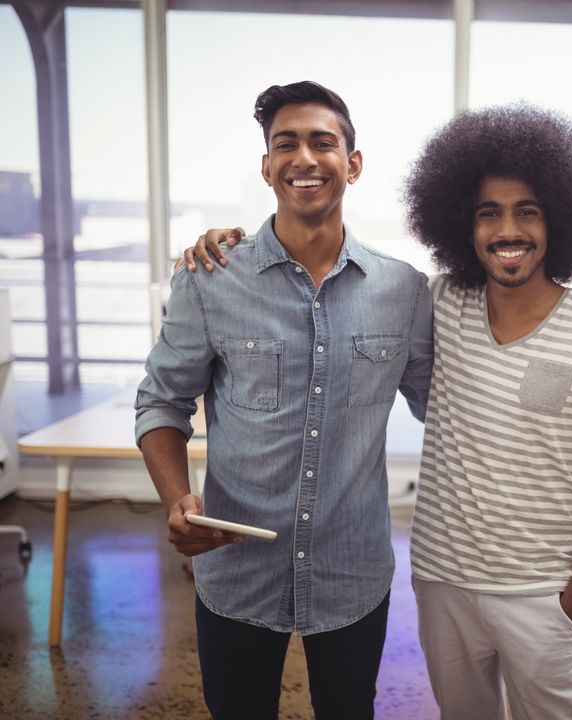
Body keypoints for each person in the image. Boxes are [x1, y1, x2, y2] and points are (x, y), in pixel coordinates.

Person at [135, 81, 435, 720]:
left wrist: (553, 464)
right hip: (237, 570)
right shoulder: (210, 279)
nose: (305, 158)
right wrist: (176, 500)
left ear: (352, 164)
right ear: (266, 166)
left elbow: (450, 410)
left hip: (352, 571)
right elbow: (162, 401)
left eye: (323, 142)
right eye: (286, 144)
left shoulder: (404, 290)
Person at [400, 104, 572, 720]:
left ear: (561, 220)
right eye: (489, 212)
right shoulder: (440, 303)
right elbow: (341, 272)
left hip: (544, 593)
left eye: (527, 211)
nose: (507, 230)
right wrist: (236, 246)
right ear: (463, 224)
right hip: (441, 581)